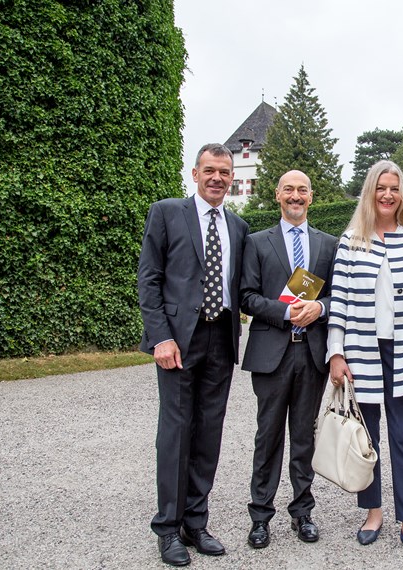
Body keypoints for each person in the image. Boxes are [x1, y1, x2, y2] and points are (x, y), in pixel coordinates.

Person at [138, 143, 249, 566]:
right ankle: (167, 527)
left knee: (209, 432)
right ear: (195, 173)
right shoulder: (167, 212)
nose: (218, 178)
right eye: (210, 170)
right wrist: (160, 338)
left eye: (225, 171)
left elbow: (242, 286)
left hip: (220, 337)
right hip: (179, 342)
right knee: (176, 431)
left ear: (232, 177)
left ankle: (196, 521)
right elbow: (149, 280)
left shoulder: (237, 226)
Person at [326, 160, 403, 559]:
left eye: (394, 188)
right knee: (367, 437)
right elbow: (337, 300)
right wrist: (336, 352)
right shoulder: (351, 239)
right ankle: (373, 513)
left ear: (401, 193)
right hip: (361, 350)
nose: (388, 195)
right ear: (370, 192)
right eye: (381, 188)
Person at [239, 170, 337, 550]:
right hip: (272, 352)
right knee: (268, 436)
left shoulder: (328, 245)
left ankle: (303, 512)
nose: (296, 196)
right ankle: (260, 517)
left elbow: (339, 297)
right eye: (289, 190)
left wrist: (319, 306)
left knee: (304, 436)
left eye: (303, 190)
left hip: (311, 353)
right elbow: (246, 296)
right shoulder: (256, 242)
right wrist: (284, 313)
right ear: (278, 195)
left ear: (311, 197)